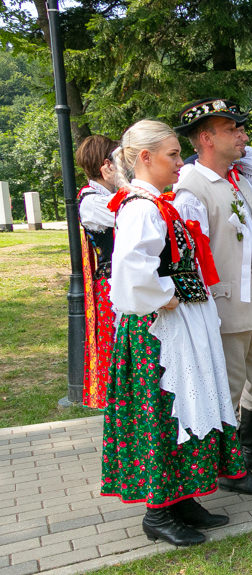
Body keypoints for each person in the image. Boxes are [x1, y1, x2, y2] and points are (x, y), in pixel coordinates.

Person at [101, 120, 252, 547]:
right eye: (171, 154)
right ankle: (158, 511)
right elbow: (131, 272)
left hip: (181, 324)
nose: (178, 161)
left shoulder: (159, 204)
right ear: (144, 158)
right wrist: (166, 294)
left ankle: (181, 497)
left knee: (187, 407)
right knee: (165, 412)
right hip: (159, 333)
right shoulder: (141, 207)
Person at [172, 98, 252, 495]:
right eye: (233, 129)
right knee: (227, 386)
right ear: (205, 138)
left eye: (244, 128)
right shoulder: (190, 186)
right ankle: (227, 468)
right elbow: (192, 254)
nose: (244, 136)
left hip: (251, 300)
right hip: (223, 305)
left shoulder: (236, 176)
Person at [75, 134, 119, 409]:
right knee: (117, 349)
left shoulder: (108, 196)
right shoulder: (93, 201)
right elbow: (130, 216)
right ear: (106, 165)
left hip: (121, 282)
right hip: (111, 286)